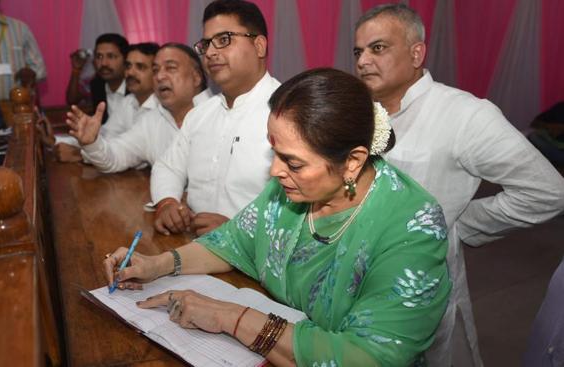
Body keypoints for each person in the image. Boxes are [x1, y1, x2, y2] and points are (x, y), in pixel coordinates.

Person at [103, 68, 452, 366]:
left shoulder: (412, 228)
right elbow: (233, 242)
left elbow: (367, 356)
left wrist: (230, 317)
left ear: (353, 162)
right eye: (275, 154)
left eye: (293, 162)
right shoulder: (293, 190)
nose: (275, 171)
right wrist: (157, 265)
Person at [352, 4, 564, 366]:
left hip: (423, 289)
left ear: (417, 52)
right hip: (356, 282)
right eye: (358, 51)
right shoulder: (360, 113)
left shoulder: (464, 114)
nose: (362, 61)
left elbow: (547, 190)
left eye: (378, 48)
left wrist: (461, 222)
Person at [151, 0, 279, 236]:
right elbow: (168, 166)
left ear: (259, 46)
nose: (210, 52)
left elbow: (307, 210)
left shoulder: (288, 112)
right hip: (192, 248)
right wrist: (167, 202)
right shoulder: (200, 114)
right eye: (206, 44)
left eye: (224, 40)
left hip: (257, 263)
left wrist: (238, 232)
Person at [66, 43, 210, 172]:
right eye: (155, 70)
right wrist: (92, 143)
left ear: (196, 77)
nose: (159, 76)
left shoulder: (220, 113)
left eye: (170, 68)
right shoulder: (151, 121)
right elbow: (114, 157)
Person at [42, 42, 159, 163]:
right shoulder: (128, 102)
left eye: (140, 67)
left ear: (157, 73)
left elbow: (133, 154)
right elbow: (105, 136)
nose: (130, 73)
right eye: (128, 66)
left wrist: (80, 155)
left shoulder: (162, 108)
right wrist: (54, 140)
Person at [66, 33, 129, 124]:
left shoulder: (135, 86)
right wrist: (76, 70)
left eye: (111, 56)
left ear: (126, 60)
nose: (103, 63)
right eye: (99, 56)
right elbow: (72, 100)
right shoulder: (97, 84)